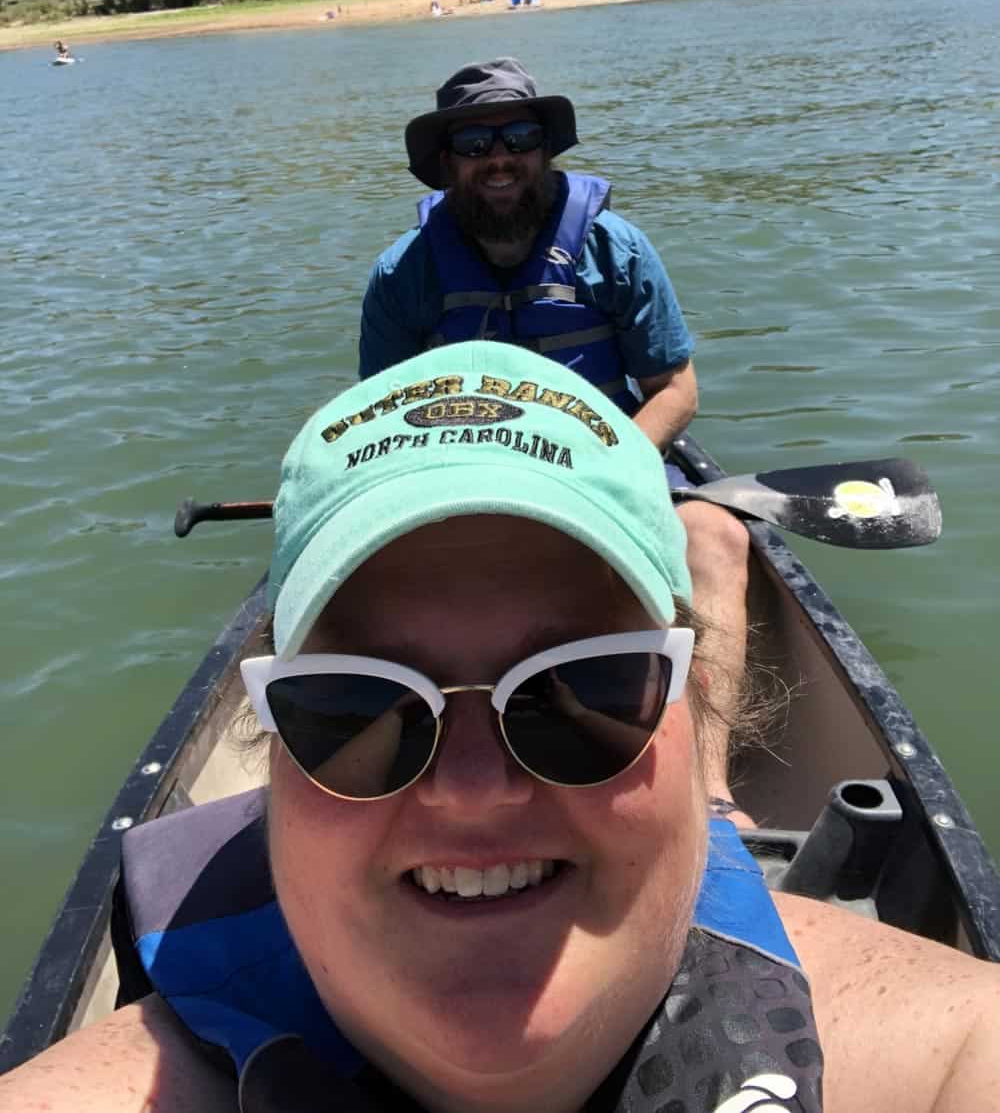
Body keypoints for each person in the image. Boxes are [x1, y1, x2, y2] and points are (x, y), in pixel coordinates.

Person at [2, 342, 998, 1113]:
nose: (473, 789)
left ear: (693, 708)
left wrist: (604, 456)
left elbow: (674, 381)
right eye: (355, 699)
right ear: (275, 746)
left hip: (606, 445)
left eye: (590, 685)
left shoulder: (953, 1051)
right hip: (423, 436)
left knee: (710, 535)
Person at [359, 57, 751, 814]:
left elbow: (677, 390)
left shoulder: (616, 249)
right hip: (463, 492)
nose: (498, 157)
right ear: (446, 166)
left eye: (517, 136)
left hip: (610, 472)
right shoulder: (402, 276)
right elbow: (381, 420)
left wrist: (616, 469)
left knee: (717, 536)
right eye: (475, 144)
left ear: (545, 148)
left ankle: (711, 792)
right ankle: (403, 771)